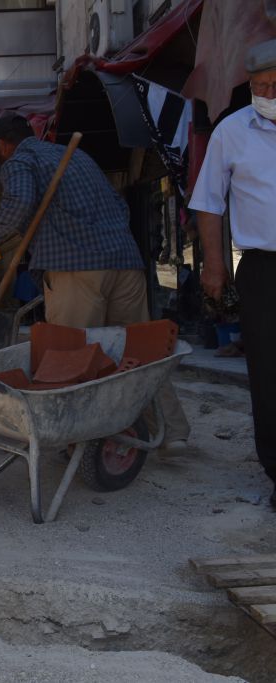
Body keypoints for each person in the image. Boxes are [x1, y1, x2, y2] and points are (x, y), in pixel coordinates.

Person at [0, 111, 190, 449]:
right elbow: (119, 206)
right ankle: (172, 433)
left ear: (3, 145)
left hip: (75, 268)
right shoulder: (74, 155)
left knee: (71, 356)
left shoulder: (19, 161)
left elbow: (18, 202)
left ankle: (75, 438)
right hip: (124, 259)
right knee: (142, 354)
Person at [188, 38, 276, 507]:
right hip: (264, 268)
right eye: (260, 85)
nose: (267, 91)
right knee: (268, 370)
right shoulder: (232, 130)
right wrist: (214, 265)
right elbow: (208, 201)